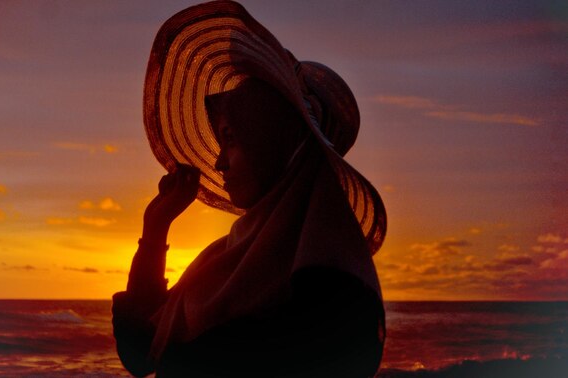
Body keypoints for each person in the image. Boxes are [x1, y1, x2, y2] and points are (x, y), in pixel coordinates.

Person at [112, 1, 387, 377]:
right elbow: (140, 350)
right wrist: (156, 227)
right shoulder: (221, 261)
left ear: (276, 145)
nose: (218, 162)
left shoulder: (337, 291)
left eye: (231, 139)